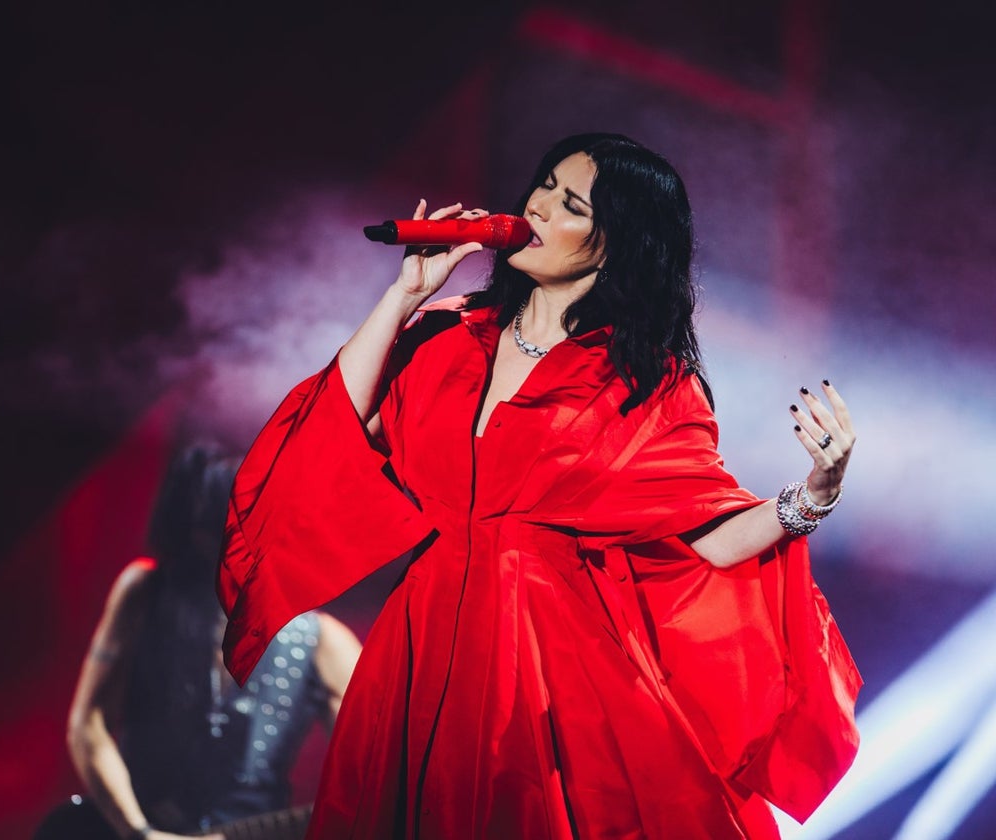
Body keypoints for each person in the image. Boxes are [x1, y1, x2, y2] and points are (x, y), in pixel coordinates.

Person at [215, 132, 862, 839]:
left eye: (571, 203)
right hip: (418, 642)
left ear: (615, 242)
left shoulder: (645, 384)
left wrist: (816, 492)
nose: (539, 207)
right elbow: (342, 418)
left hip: (549, 664)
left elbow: (707, 537)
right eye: (544, 186)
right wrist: (402, 297)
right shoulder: (448, 335)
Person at [44, 444, 362, 840]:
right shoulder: (146, 593)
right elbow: (88, 724)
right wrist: (139, 832)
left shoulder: (323, 642)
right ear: (201, 533)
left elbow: (377, 778)